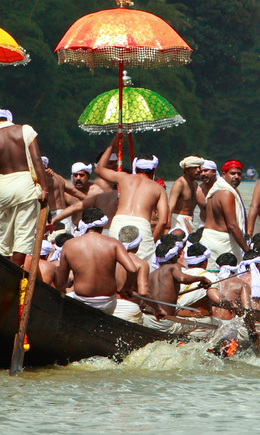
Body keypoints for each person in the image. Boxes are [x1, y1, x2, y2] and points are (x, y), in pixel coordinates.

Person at [91, 135, 170, 263]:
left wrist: (112, 144)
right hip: (142, 226)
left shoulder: (123, 177)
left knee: (118, 264)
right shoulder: (159, 188)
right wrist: (152, 241)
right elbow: (162, 221)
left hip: (118, 223)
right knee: (141, 266)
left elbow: (99, 169)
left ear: (136, 168)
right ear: (153, 170)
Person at [0, 106, 46, 266]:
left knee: (5, 236)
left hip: (4, 187)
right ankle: (16, 270)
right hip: (26, 185)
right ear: (8, 119)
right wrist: (45, 188)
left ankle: (4, 270)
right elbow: (37, 160)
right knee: (23, 234)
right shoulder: (24, 130)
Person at [60, 208, 148, 315]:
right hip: (107, 303)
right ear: (102, 226)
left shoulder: (69, 245)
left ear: (83, 223)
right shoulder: (114, 244)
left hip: (81, 300)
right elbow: (132, 270)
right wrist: (127, 287)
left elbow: (61, 283)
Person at [199, 160, 250, 261]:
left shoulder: (216, 189)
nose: (236, 176)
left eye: (239, 174)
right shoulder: (226, 192)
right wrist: (248, 251)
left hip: (208, 239)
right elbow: (232, 225)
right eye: (232, 173)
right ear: (224, 174)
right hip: (222, 243)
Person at [168, 157, 211, 236]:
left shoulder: (195, 184)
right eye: (194, 168)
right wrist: (167, 226)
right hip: (178, 221)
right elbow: (170, 207)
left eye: (199, 167)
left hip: (190, 220)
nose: (198, 170)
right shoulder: (179, 184)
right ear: (186, 170)